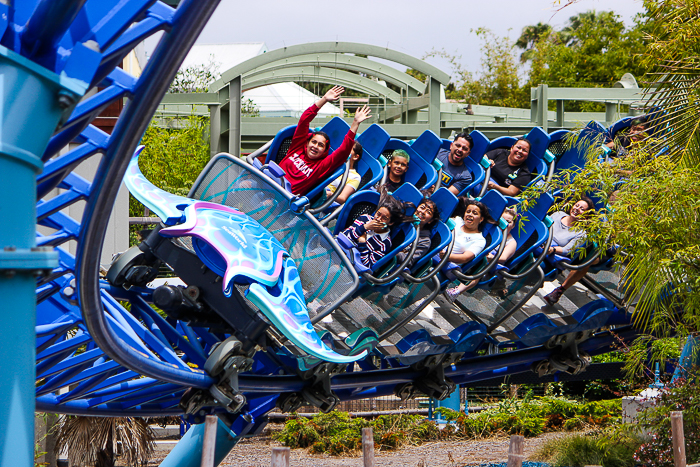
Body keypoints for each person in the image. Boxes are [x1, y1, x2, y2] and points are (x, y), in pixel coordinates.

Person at [280, 85, 371, 195]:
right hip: (267, 180)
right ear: (307, 142)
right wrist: (324, 99)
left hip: (283, 197)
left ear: (324, 151)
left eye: (321, 145)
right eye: (313, 142)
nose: (315, 146)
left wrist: (355, 123)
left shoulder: (321, 166)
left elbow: (343, 151)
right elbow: (304, 120)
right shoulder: (297, 147)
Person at [444, 207, 518, 301]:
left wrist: (491, 257)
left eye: (509, 222)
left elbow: (503, 257)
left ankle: (456, 291)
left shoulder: (511, 242)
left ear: (514, 225)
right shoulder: (492, 231)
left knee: (480, 268)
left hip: (490, 264)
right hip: (475, 254)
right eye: (503, 220)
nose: (506, 224)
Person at [543, 197, 598, 305]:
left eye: (582, 209)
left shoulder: (581, 233)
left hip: (551, 255)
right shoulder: (558, 214)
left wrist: (552, 249)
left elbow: (566, 250)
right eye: (577, 206)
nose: (577, 209)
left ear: (586, 215)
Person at [341, 188, 414, 268]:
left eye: (384, 218)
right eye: (378, 214)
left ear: (390, 222)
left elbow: (366, 264)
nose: (378, 219)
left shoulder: (385, 243)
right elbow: (344, 236)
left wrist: (362, 243)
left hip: (351, 266)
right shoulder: (365, 219)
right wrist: (364, 227)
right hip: (340, 251)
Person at [440, 198, 491, 264]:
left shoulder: (480, 240)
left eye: (474, 213)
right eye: (468, 211)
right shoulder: (457, 220)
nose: (470, 214)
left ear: (481, 219)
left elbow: (465, 258)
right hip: (434, 251)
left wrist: (446, 256)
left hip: (447, 263)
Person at [396, 197, 440, 268]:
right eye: (422, 207)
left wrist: (394, 254)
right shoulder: (403, 219)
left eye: (428, 212)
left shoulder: (425, 241)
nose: (422, 212)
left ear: (430, 221)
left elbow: (409, 260)